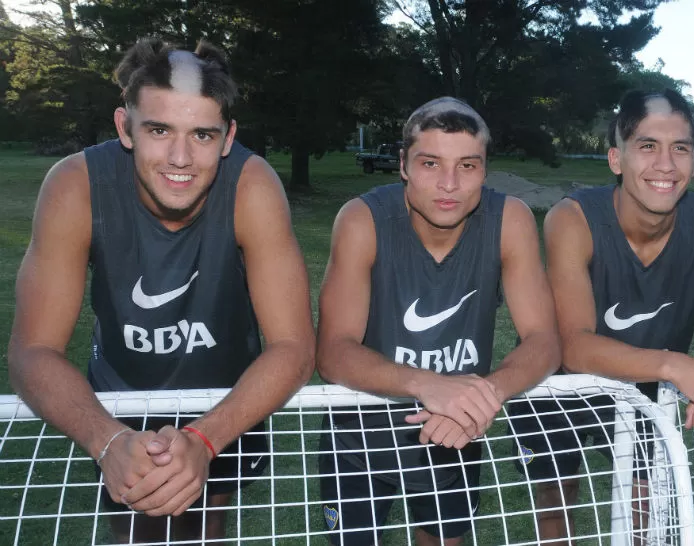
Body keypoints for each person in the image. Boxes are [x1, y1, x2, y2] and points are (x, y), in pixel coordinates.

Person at [7, 38, 315, 543]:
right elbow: (31, 350)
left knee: (208, 522)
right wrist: (107, 441)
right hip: (121, 399)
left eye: (201, 135)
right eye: (158, 129)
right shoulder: (75, 186)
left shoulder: (252, 186)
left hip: (229, 393)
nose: (180, 157)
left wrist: (203, 438)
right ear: (124, 127)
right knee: (134, 525)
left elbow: (296, 346)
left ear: (228, 137)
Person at [508, 88, 694, 545]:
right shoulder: (572, 219)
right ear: (616, 159)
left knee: (646, 520)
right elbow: (574, 344)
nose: (666, 165)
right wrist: (681, 367)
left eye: (681, 149)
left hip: (646, 385)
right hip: (558, 387)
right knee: (555, 517)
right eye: (648, 147)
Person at [315, 96, 560, 546]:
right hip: (359, 441)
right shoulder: (363, 219)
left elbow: (544, 339)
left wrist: (481, 397)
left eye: (467, 166)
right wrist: (431, 385)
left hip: (455, 432)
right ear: (404, 164)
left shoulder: (509, 220)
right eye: (431, 163)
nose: (449, 184)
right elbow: (333, 351)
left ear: (485, 170)